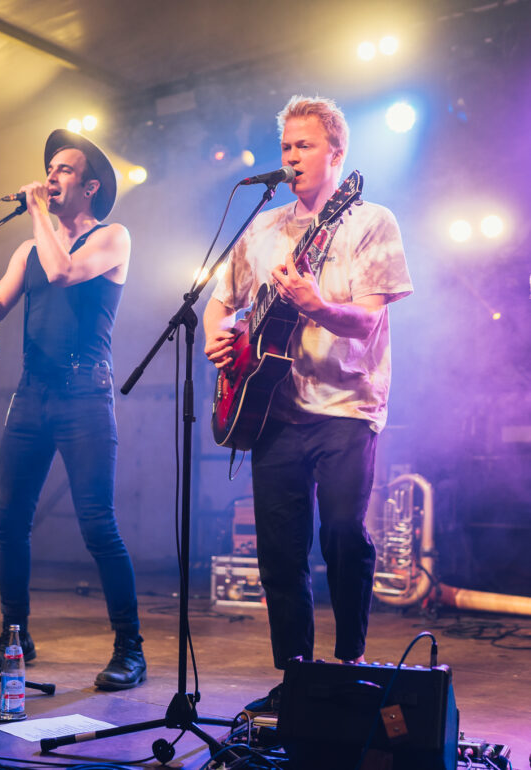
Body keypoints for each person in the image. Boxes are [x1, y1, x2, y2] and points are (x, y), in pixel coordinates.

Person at [203, 95, 413, 714]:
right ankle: (295, 673)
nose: (292, 156)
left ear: (338, 154)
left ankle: (349, 662)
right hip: (273, 411)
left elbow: (369, 325)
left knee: (344, 532)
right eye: (287, 146)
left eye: (306, 145)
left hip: (348, 405)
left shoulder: (370, 220)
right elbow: (223, 300)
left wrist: (318, 304)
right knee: (280, 551)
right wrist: (221, 330)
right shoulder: (264, 227)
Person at [0, 129, 145, 690]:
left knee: (98, 525)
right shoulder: (25, 250)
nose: (50, 177)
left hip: (85, 394)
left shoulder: (114, 238)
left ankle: (129, 649)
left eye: (63, 170)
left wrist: (36, 210)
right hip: (30, 395)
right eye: (49, 169)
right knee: (10, 522)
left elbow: (62, 269)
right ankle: (16, 635)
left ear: (89, 186)